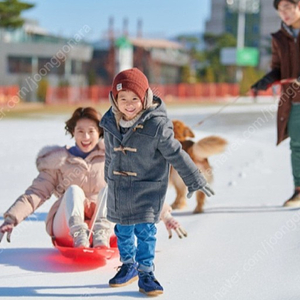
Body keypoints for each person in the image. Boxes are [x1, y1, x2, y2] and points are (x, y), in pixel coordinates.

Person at [0, 107, 188, 249]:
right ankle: (80, 233)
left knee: (110, 189)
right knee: (73, 189)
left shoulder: (113, 157)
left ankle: (101, 232)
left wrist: (165, 215)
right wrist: (11, 219)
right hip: (67, 228)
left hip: (107, 227)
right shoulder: (57, 161)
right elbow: (36, 193)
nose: (86, 136)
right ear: (72, 131)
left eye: (91, 131)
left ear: (99, 132)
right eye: (80, 131)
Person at [100, 68, 214, 296]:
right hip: (119, 189)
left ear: (145, 98)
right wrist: (109, 178)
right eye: (123, 99)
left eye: (135, 98)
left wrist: (194, 178)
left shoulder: (157, 125)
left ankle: (146, 272)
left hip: (147, 189)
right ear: (115, 99)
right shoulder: (110, 123)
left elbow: (176, 153)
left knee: (145, 232)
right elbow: (110, 156)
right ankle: (128, 265)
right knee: (122, 231)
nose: (129, 104)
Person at [251, 0, 300, 207]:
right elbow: (278, 68)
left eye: (288, 8)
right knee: (297, 145)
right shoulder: (278, 38)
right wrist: (266, 80)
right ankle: (298, 190)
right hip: (294, 99)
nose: (284, 13)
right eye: (280, 10)